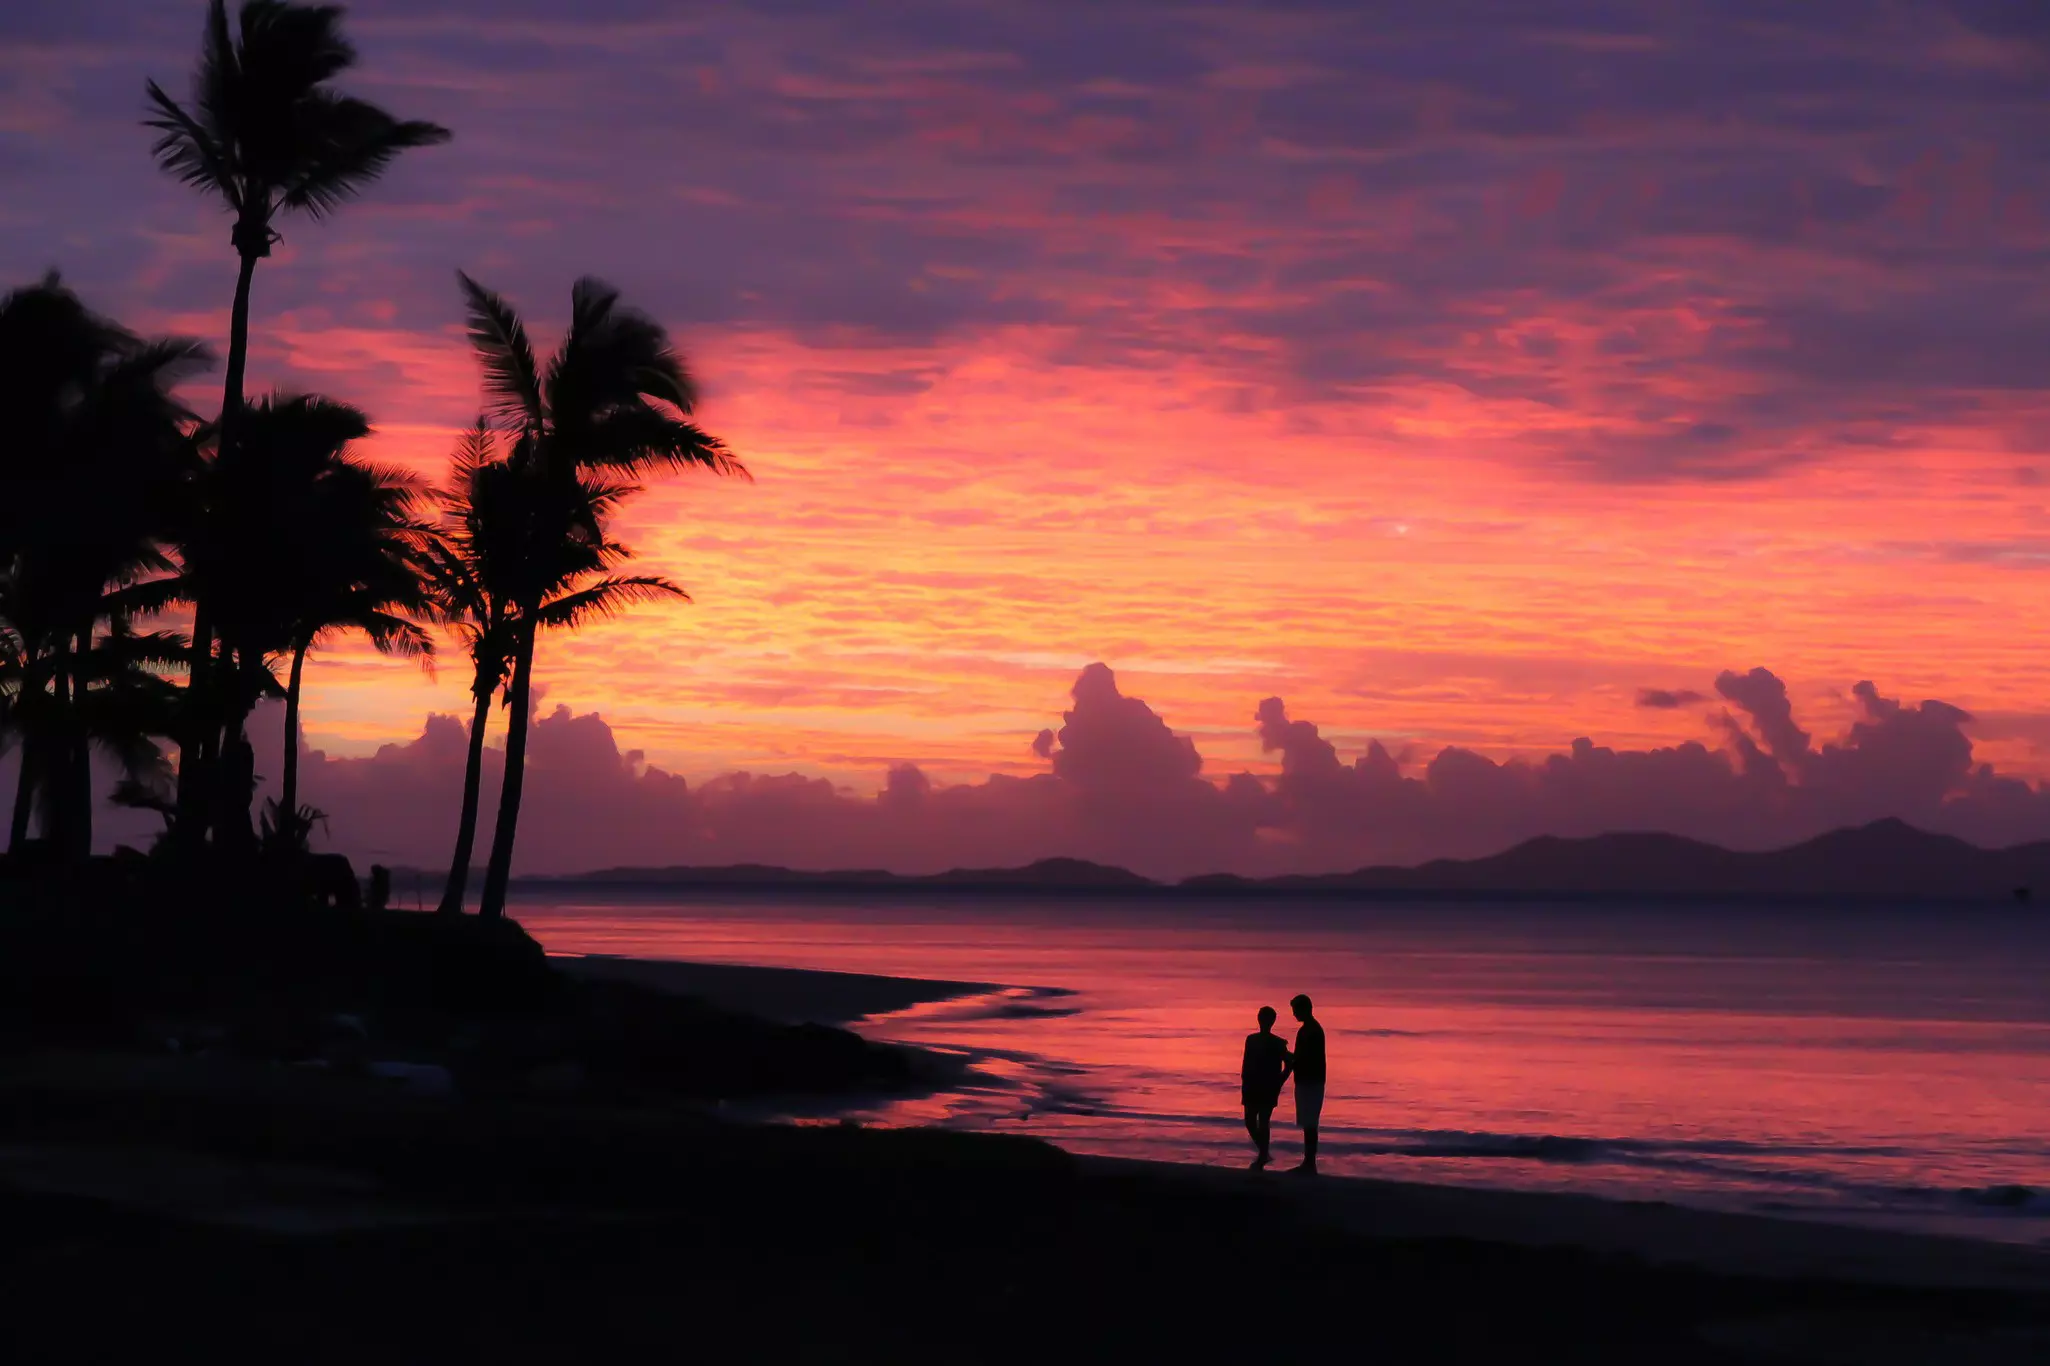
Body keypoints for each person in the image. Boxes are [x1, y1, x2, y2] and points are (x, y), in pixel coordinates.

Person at [1240, 1006, 1291, 1169]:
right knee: (1249, 1121)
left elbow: (1290, 1062)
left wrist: (1280, 1080)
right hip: (1252, 1085)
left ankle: (1263, 1156)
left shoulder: (1278, 1043)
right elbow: (1246, 1063)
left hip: (1268, 1086)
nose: (1263, 1021)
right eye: (1261, 1018)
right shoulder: (1251, 1039)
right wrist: (1244, 1082)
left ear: (1272, 1021)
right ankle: (1264, 1152)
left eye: (1266, 1018)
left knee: (1263, 1120)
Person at [1288, 994, 1325, 1174]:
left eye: (1295, 1010)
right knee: (1308, 1123)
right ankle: (1308, 1162)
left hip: (1311, 1081)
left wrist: (1288, 1062)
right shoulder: (1309, 1029)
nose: (1294, 1014)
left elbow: (1303, 1058)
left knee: (1310, 1123)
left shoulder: (1311, 1031)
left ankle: (1309, 1163)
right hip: (1308, 1080)